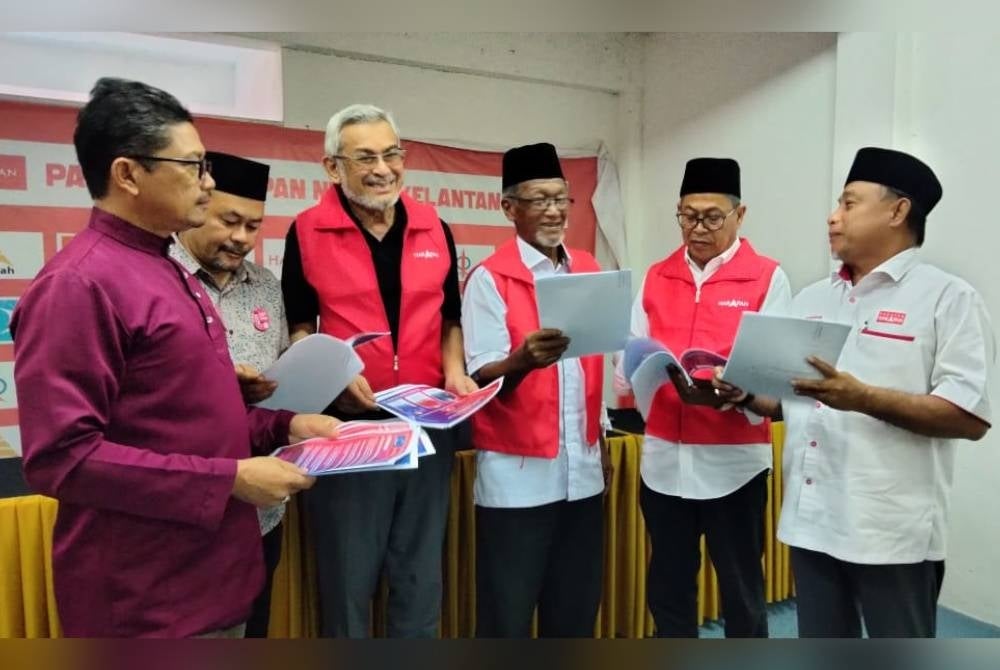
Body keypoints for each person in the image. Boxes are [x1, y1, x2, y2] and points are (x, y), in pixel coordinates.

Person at [11, 78, 339, 638]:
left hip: (214, 579)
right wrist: (230, 480)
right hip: (146, 601)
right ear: (128, 174)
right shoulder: (79, 285)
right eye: (192, 166)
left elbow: (181, 419)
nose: (207, 184)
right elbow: (62, 458)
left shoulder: (166, 268)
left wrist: (286, 425)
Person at [716, 147, 994, 637]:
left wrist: (864, 398)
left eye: (848, 203)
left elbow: (967, 417)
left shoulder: (947, 299)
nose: (832, 217)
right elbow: (791, 400)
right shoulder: (813, 298)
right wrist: (745, 395)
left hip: (891, 532)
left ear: (898, 210)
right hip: (812, 522)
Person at [281, 103, 476, 638]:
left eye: (392, 154)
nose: (382, 168)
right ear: (332, 167)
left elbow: (450, 316)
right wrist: (331, 374)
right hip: (348, 428)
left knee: (419, 573)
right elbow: (298, 325)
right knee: (349, 577)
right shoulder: (306, 232)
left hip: (425, 426)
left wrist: (455, 372)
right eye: (365, 157)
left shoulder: (434, 225)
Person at [614, 157, 790, 638]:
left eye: (712, 216)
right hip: (664, 460)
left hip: (734, 466)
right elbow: (628, 354)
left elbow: (776, 375)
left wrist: (743, 389)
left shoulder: (767, 277)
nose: (697, 228)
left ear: (740, 214)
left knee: (741, 592)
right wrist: (636, 370)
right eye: (687, 215)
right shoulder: (656, 276)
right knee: (668, 588)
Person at [462, 142, 609, 638]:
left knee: (575, 611)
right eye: (538, 199)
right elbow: (481, 379)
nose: (553, 211)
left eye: (561, 199)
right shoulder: (489, 279)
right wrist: (522, 361)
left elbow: (597, 365)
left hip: (583, 474)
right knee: (508, 614)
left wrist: (601, 437)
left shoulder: (589, 269)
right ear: (509, 208)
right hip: (517, 480)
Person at [170, 150, 288, 638]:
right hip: (184, 514)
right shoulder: (157, 278)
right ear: (199, 206)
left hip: (261, 514)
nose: (241, 238)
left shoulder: (266, 286)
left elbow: (281, 365)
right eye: (229, 221)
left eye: (253, 226)